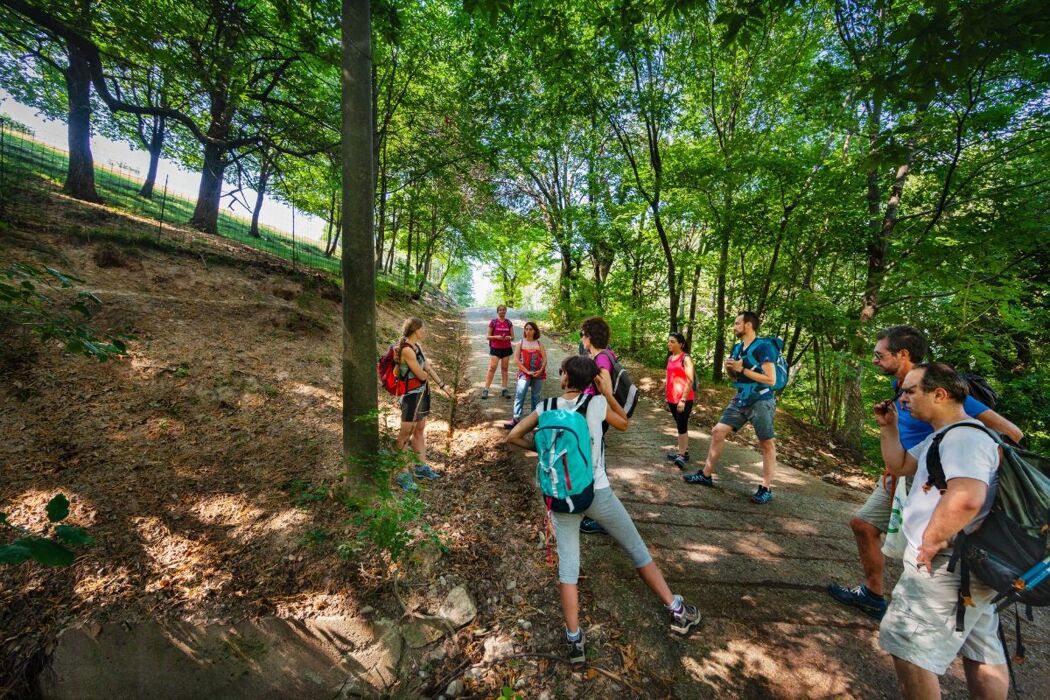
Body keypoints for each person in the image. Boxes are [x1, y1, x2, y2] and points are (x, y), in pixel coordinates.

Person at [506, 355, 702, 663]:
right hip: (597, 492)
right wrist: (608, 392)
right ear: (591, 382)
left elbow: (513, 436)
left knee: (568, 569)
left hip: (560, 498)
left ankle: (574, 641)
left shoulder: (545, 408)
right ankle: (677, 609)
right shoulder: (596, 405)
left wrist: (546, 452)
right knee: (636, 549)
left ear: (565, 377)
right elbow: (623, 423)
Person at [828, 325, 1022, 620]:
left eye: (879, 355)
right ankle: (873, 593)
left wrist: (973, 472)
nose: (874, 360)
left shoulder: (935, 388)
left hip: (930, 481)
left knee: (906, 540)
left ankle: (912, 606)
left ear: (902, 354)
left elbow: (1011, 433)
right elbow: (910, 431)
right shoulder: (902, 388)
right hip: (904, 469)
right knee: (864, 524)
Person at [874, 362, 1009, 700]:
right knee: (982, 650)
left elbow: (967, 497)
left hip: (948, 563)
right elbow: (901, 466)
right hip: (968, 563)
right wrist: (889, 428)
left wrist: (930, 543)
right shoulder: (945, 434)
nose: (901, 398)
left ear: (939, 393)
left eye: (910, 391)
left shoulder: (964, 437)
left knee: (908, 646)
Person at [684, 311, 778, 504]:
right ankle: (706, 475)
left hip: (761, 400)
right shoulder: (737, 348)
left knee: (766, 443)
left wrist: (742, 369)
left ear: (748, 325)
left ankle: (766, 488)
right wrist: (730, 370)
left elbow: (771, 379)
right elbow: (735, 378)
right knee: (718, 431)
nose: (734, 327)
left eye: (737, 323)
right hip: (741, 398)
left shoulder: (764, 346)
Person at [394, 317, 453, 491]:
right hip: (411, 397)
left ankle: (420, 468)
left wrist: (443, 385)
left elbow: (427, 366)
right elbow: (421, 374)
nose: (424, 331)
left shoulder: (417, 347)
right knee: (405, 434)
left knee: (419, 429)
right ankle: (402, 474)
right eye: (422, 328)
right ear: (415, 330)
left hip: (421, 394)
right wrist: (426, 375)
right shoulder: (407, 351)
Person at [578, 316, 617, 534]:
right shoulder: (604, 355)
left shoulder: (601, 358)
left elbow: (605, 389)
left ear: (590, 337)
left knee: (596, 466)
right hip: (594, 415)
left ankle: (601, 517)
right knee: (595, 462)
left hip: (595, 417)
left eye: (583, 334)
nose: (582, 339)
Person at [504, 321, 547, 430]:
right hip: (524, 373)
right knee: (520, 395)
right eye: (526, 329)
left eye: (531, 329)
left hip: (538, 373)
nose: (528, 331)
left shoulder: (539, 343)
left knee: (536, 396)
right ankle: (516, 419)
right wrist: (527, 371)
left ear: (535, 331)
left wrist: (541, 370)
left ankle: (534, 421)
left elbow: (545, 359)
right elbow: (516, 360)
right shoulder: (520, 343)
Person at [664, 332, 696, 470]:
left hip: (684, 398)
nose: (669, 344)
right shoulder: (670, 358)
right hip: (671, 397)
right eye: (669, 341)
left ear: (681, 344)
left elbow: (690, 379)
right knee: (679, 425)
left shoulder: (686, 358)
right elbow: (669, 376)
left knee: (682, 425)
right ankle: (684, 451)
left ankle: (682, 455)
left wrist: (683, 399)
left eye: (672, 342)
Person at [483, 305, 514, 399]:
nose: (502, 311)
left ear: (506, 311)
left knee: (505, 369)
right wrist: (497, 337)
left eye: (504, 310)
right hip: (495, 348)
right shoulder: (493, 322)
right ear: (497, 312)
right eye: (500, 310)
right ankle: (486, 389)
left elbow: (512, 337)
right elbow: (488, 336)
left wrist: (507, 337)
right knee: (492, 368)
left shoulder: (508, 322)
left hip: (506, 348)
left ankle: (504, 389)